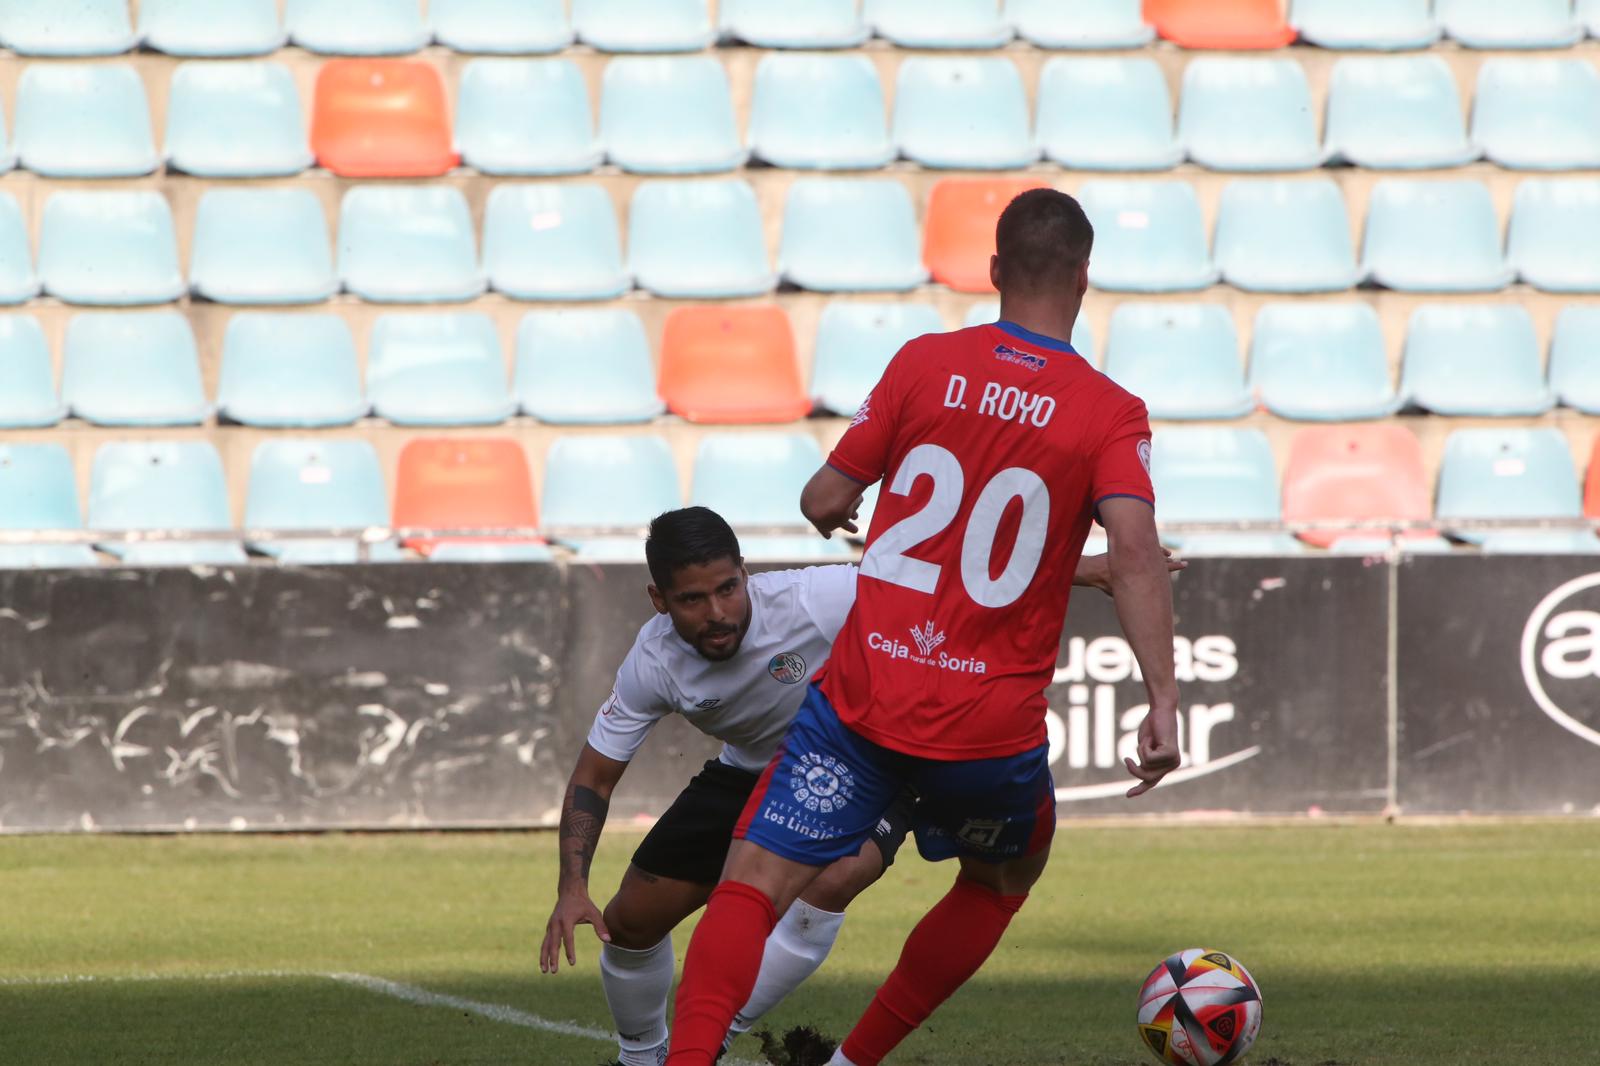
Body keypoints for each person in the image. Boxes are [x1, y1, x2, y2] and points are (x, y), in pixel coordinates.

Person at [662, 188, 1184, 1066]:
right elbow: (1135, 553)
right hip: (985, 729)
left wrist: (849, 515)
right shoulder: (1108, 411)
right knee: (999, 881)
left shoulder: (923, 364)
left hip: (868, 698)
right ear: (1085, 279)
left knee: (752, 881)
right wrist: (1162, 698)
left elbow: (824, 498)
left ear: (992, 272)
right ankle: (850, 1063)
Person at [539, 505, 1167, 1066]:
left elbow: (944, 580)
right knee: (629, 924)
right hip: (749, 770)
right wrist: (573, 887)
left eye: (728, 589)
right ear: (659, 600)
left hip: (860, 757)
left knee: (840, 873)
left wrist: (1084, 569)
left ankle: (715, 1033)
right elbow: (595, 776)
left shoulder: (816, 598)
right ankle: (642, 1055)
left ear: (746, 574)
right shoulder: (651, 663)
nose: (718, 612)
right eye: (692, 600)